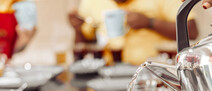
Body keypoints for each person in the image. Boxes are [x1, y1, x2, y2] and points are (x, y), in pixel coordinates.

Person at [69, 0, 198, 65]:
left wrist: (150, 23)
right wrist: (77, 29)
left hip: (155, 74)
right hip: (108, 75)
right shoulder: (91, 2)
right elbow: (83, 44)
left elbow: (191, 30)